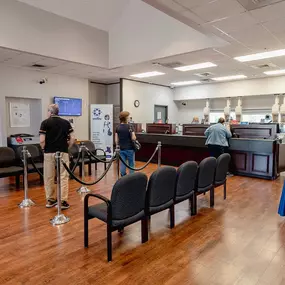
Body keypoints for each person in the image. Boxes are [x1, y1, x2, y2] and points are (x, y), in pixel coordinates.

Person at [39, 104, 75, 209]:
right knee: (63, 177)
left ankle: (51, 200)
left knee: (49, 177)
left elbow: (42, 140)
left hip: (49, 152)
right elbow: (72, 138)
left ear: (50, 112)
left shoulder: (45, 123)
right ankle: (63, 201)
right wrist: (67, 147)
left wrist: (43, 149)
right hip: (63, 152)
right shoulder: (66, 123)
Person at [115, 111, 136, 176]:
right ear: (126, 118)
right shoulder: (130, 126)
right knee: (131, 164)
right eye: (129, 117)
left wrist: (118, 146)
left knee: (123, 163)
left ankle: (123, 176)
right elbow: (133, 138)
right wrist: (135, 136)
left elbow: (116, 140)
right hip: (130, 148)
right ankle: (131, 177)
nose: (130, 118)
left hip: (121, 149)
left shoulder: (117, 127)